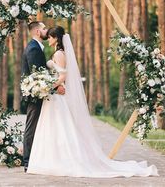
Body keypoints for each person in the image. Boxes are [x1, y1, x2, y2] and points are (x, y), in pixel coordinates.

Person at [27, 25, 158, 178]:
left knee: (60, 128)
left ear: (55, 38)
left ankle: (61, 160)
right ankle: (52, 158)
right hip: (55, 96)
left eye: (50, 36)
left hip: (57, 96)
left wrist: (47, 86)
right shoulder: (59, 53)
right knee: (55, 128)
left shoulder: (59, 54)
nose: (48, 39)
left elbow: (63, 77)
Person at [21, 21, 65, 172]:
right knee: (32, 128)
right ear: (38, 32)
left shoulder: (38, 48)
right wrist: (57, 84)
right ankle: (27, 161)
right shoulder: (33, 49)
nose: (47, 30)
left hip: (42, 94)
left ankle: (39, 158)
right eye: (45, 28)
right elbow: (38, 76)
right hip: (36, 95)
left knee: (41, 127)